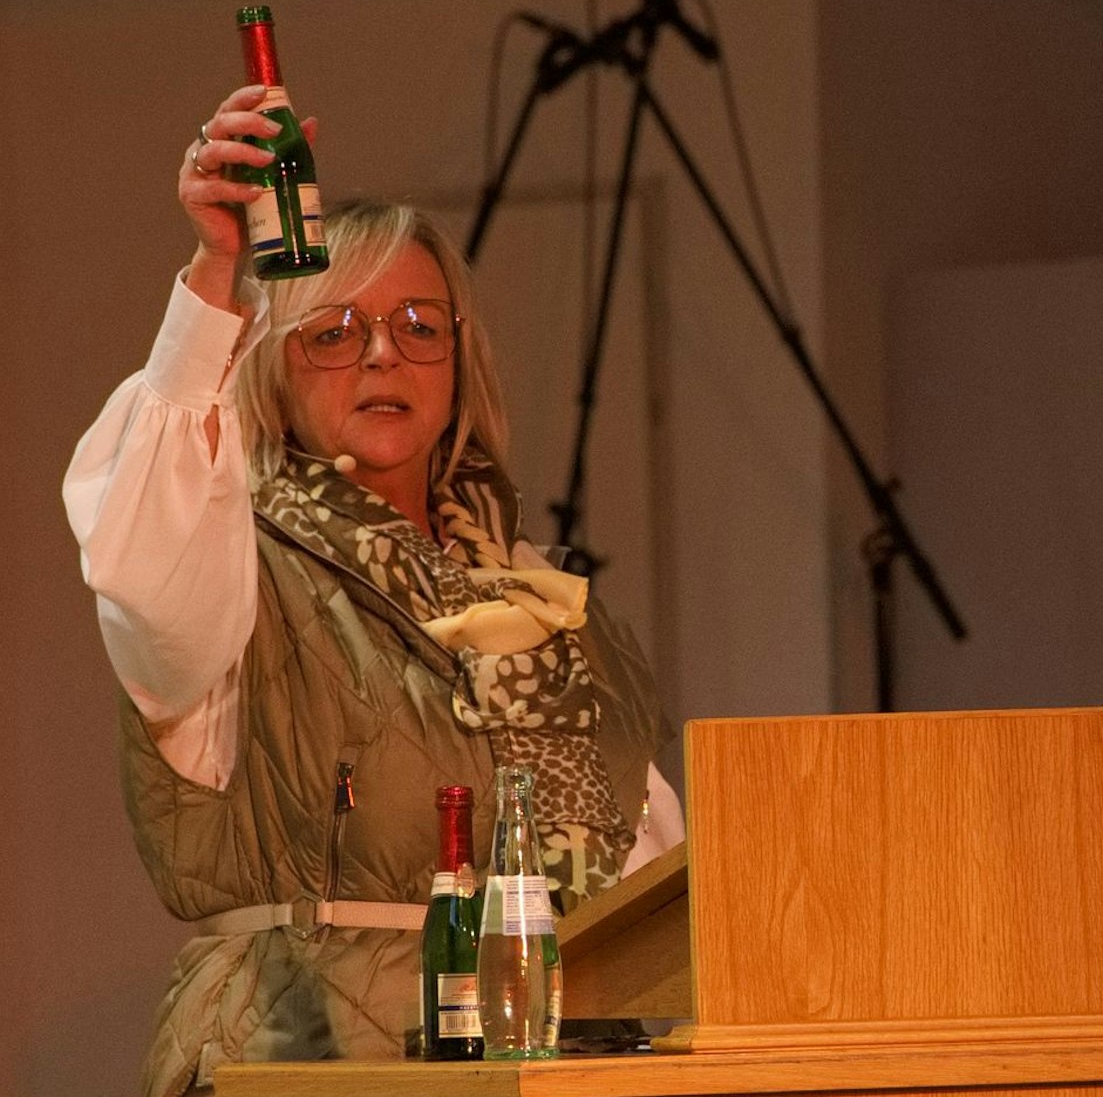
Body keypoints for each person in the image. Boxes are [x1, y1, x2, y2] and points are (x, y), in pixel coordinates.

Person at [63, 85, 686, 1097]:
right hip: (305, 1060)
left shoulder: (548, 603)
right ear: (270, 366)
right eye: (333, 331)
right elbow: (145, 554)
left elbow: (659, 879)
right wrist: (219, 271)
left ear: (457, 355)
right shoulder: (230, 563)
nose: (383, 352)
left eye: (415, 325)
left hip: (554, 1065)